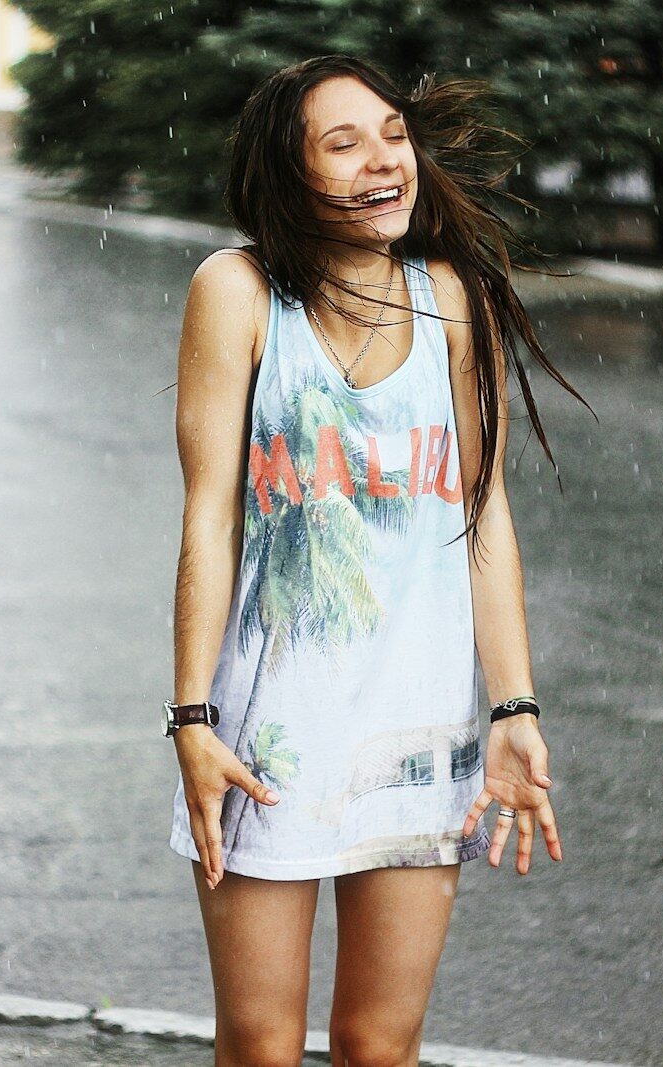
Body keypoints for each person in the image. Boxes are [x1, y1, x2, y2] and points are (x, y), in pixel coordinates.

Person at [165, 54, 595, 1063]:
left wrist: (514, 707)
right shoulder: (238, 293)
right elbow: (209, 519)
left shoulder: (451, 296)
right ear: (290, 172)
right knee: (261, 1042)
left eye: (394, 135)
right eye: (344, 144)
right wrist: (190, 718)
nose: (384, 161)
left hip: (416, 733)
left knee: (379, 1043)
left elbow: (483, 514)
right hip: (265, 742)